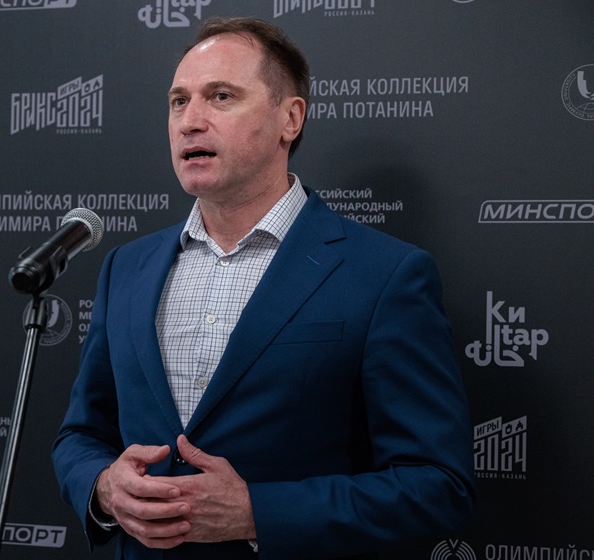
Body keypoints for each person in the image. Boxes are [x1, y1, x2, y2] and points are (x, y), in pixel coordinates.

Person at [51, 16, 476, 559]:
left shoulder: (386, 275)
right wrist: (104, 487)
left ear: (289, 118)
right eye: (178, 102)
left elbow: (438, 484)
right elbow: (81, 436)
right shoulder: (125, 268)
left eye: (221, 96)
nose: (190, 121)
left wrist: (258, 512)